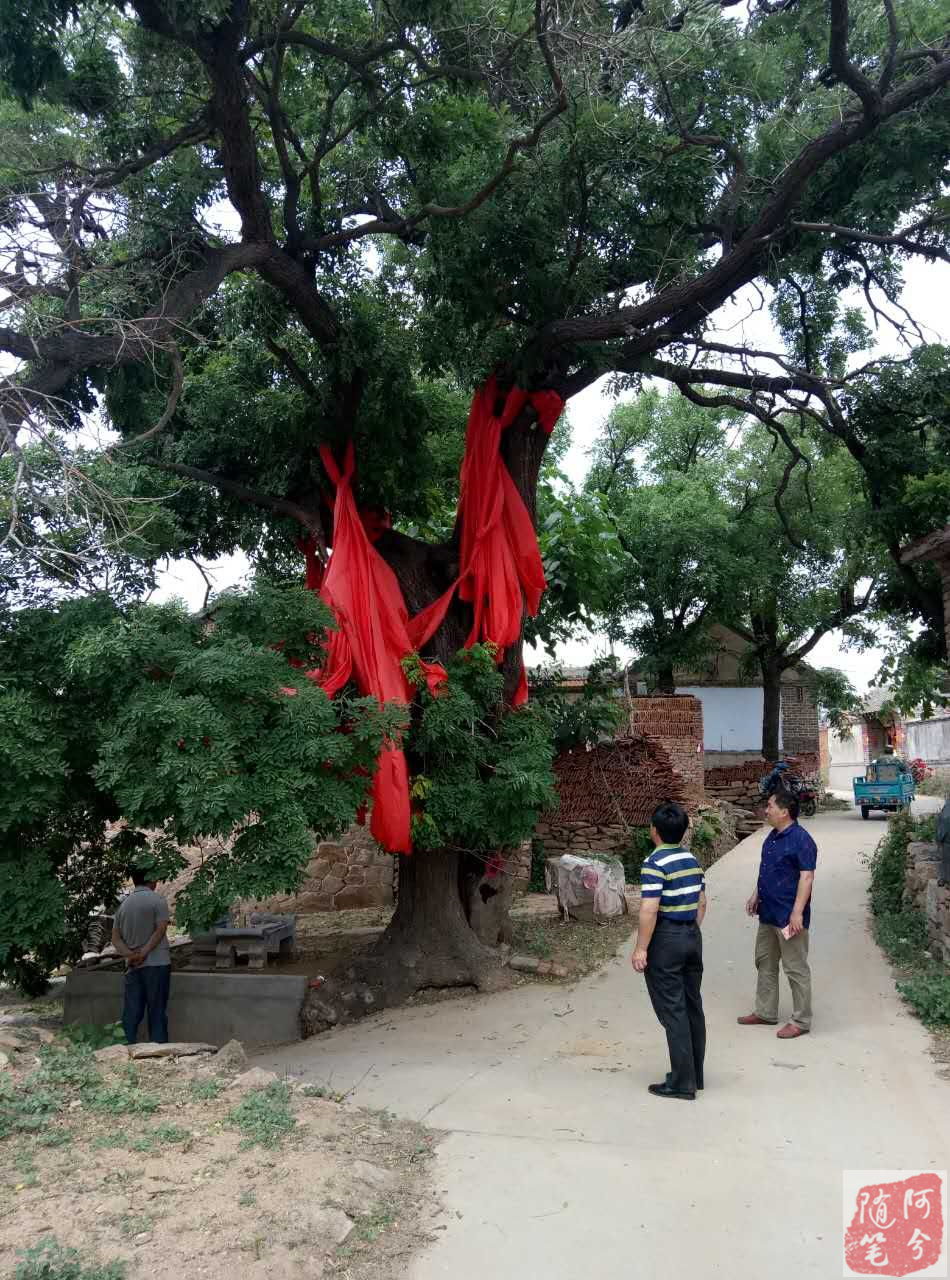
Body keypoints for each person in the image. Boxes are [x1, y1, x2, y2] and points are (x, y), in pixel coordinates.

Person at [632, 801, 707, 1101]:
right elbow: (702, 903)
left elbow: (649, 909)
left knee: (673, 1011)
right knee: (692, 1006)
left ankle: (681, 1083)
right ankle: (694, 1075)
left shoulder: (654, 863)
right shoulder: (692, 859)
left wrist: (641, 948)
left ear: (654, 831)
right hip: (691, 935)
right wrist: (690, 929)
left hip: (666, 939)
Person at [738, 788, 816, 1039]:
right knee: (764, 962)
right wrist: (755, 895)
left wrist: (797, 913)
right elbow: (768, 871)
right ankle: (765, 1012)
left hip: (788, 916)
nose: (766, 809)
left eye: (770, 806)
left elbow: (806, 877)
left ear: (784, 811)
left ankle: (801, 1020)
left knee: (795, 968)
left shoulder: (802, 840)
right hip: (768, 913)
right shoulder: (771, 837)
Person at [111, 862, 171, 1045]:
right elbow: (160, 930)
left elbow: (116, 939)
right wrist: (144, 953)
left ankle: (122, 1049)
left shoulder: (123, 906)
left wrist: (131, 956)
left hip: (132, 966)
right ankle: (159, 1051)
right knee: (157, 1011)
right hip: (157, 964)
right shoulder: (158, 901)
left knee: (131, 1011)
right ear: (151, 880)